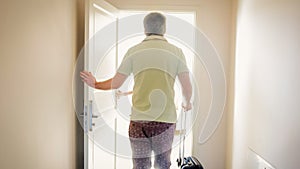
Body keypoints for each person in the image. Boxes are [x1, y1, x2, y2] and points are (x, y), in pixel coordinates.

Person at [80, 12, 192, 169]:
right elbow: (187, 86)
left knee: (140, 165)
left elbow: (116, 82)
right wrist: (187, 103)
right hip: (165, 121)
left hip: (139, 121)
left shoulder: (134, 51)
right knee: (162, 164)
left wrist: (96, 83)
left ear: (145, 28)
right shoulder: (176, 52)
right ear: (164, 28)